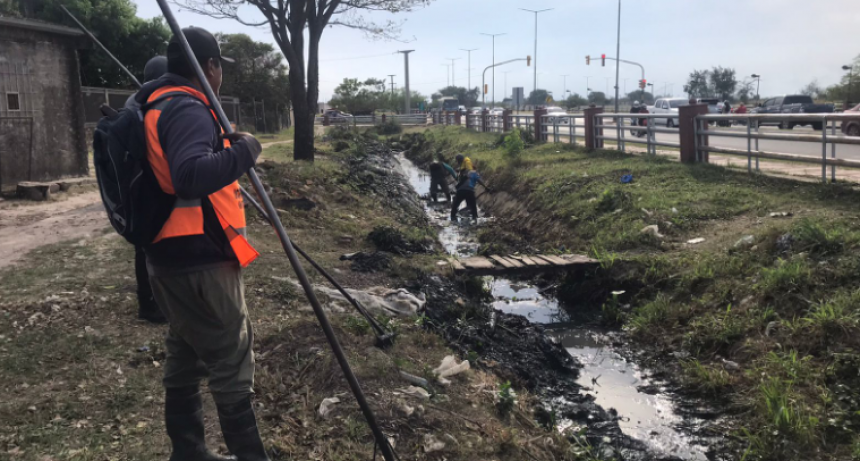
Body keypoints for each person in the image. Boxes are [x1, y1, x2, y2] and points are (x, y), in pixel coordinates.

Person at [133, 27, 267, 461]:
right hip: (200, 261)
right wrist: (246, 151)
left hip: (165, 256)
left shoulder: (152, 103)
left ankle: (188, 452)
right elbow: (189, 175)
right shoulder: (188, 107)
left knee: (185, 349)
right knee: (231, 360)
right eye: (219, 68)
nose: (220, 75)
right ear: (210, 67)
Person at [122, 56, 169, 324]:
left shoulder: (135, 99)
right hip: (152, 182)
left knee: (143, 246)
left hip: (134, 182)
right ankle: (153, 304)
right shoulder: (158, 100)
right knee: (153, 245)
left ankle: (148, 301)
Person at [450, 154, 483, 221]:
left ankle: (453, 217)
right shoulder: (474, 174)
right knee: (473, 207)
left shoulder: (465, 176)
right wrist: (487, 188)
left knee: (455, 207)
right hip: (470, 191)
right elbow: (480, 181)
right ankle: (474, 218)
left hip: (461, 191)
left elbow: (458, 185)